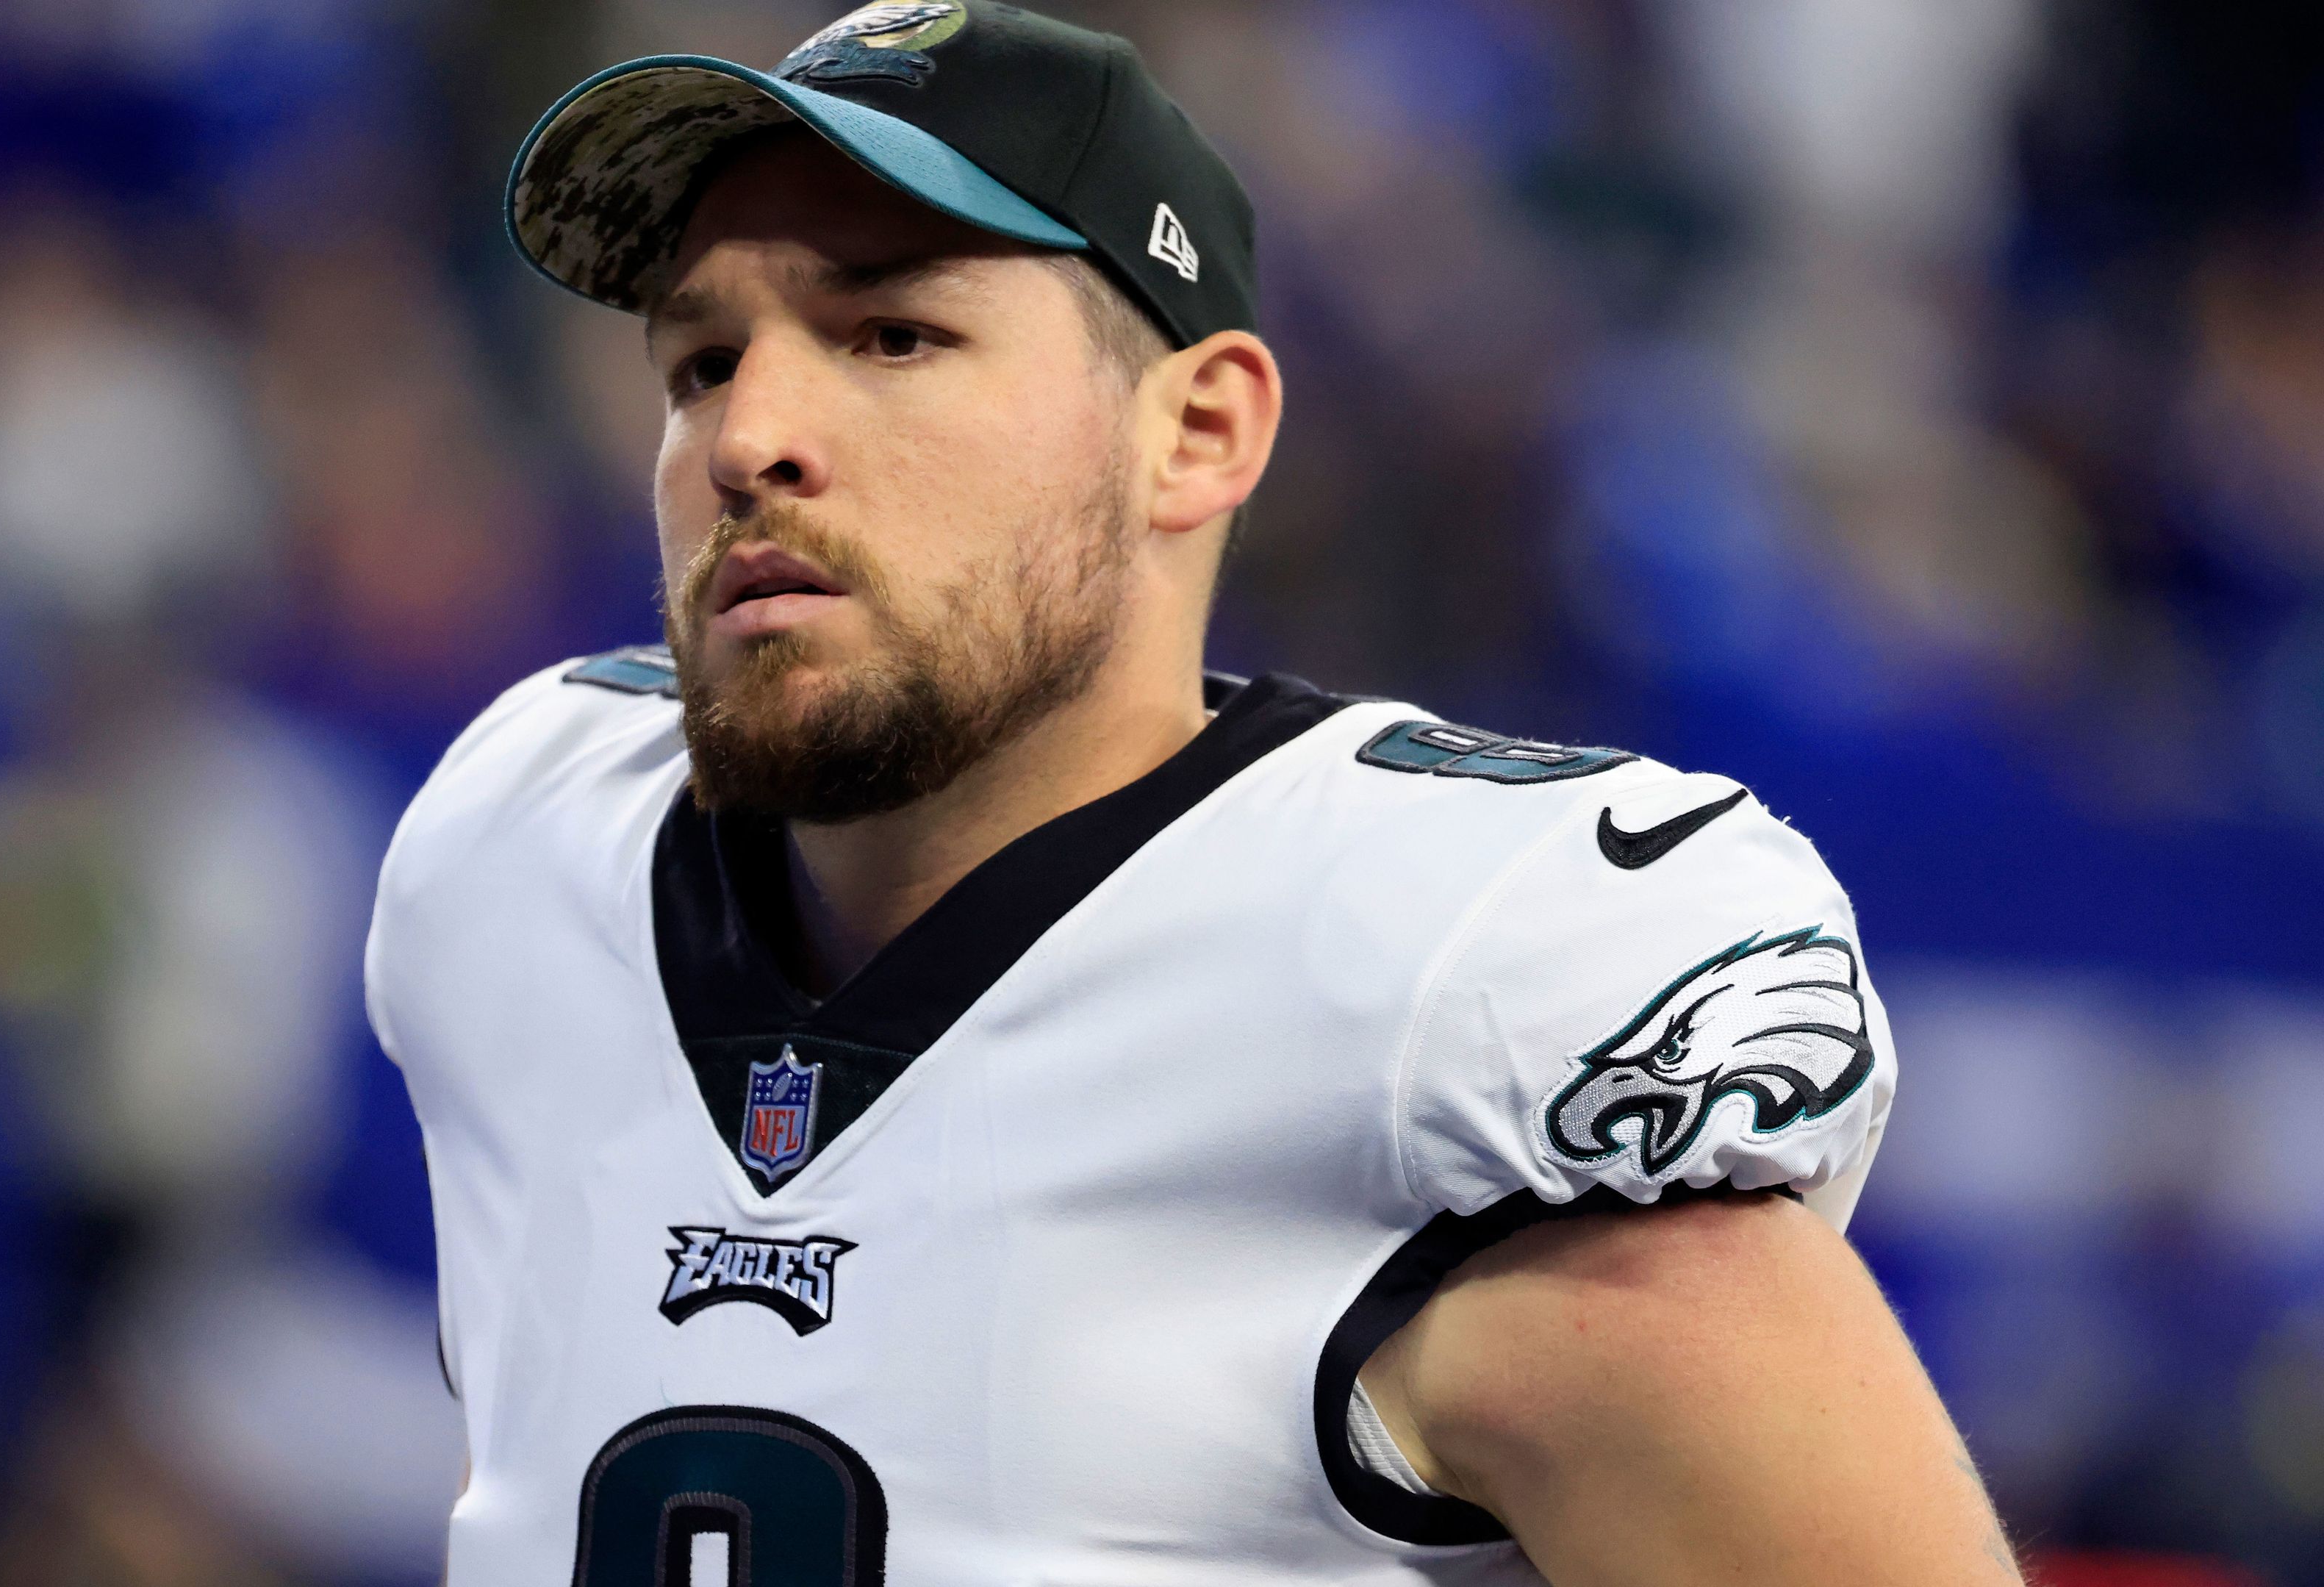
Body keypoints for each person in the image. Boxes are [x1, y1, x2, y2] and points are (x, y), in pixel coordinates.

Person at [367, 4, 2020, 1581]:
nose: (749, 435)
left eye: (893, 332)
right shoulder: (521, 848)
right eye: (701, 361)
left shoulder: (1462, 984)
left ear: (1197, 432)